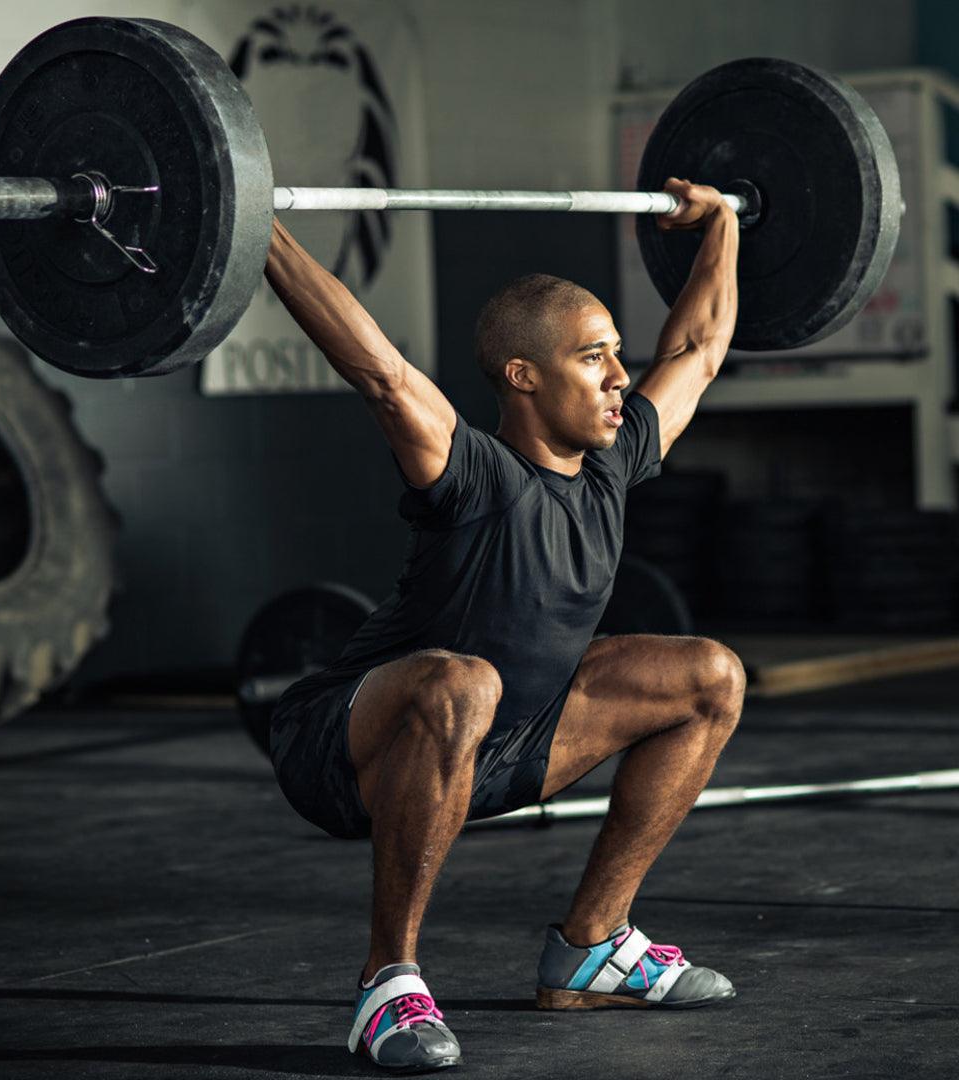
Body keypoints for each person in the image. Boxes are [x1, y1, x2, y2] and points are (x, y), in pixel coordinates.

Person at [263, 177, 744, 1071]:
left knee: (710, 675)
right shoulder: (473, 472)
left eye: (616, 354)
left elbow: (703, 346)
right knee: (462, 681)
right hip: (343, 745)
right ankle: (386, 985)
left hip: (502, 747)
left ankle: (593, 948)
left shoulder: (613, 459)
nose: (617, 376)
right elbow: (376, 368)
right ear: (523, 376)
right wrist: (256, 228)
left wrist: (720, 223)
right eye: (592, 358)